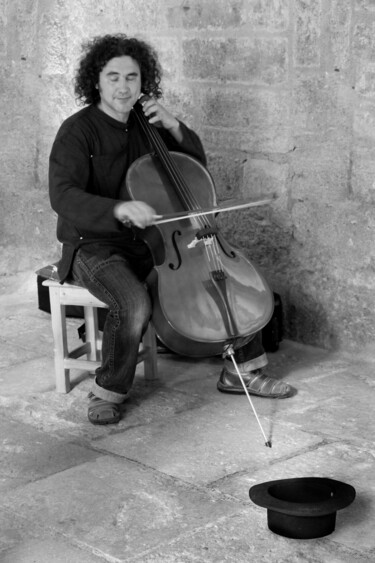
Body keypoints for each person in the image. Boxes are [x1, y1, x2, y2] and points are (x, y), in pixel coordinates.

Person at [49, 33, 294, 425]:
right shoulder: (77, 131)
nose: (123, 86)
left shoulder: (150, 124)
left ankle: (241, 372)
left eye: (132, 77)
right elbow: (62, 195)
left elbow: (192, 170)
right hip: (95, 245)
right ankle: (106, 389)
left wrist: (176, 126)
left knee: (225, 280)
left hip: (153, 241)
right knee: (132, 303)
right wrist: (119, 207)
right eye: (113, 77)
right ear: (95, 80)